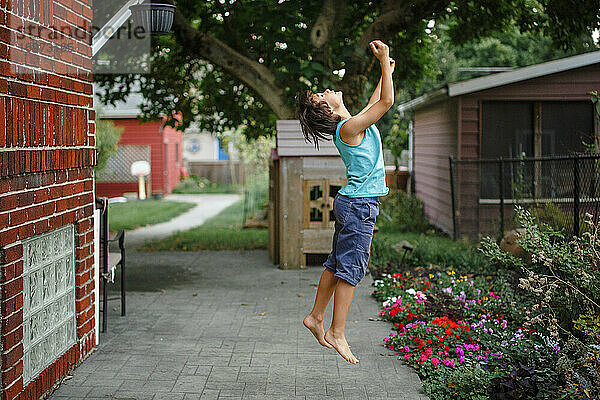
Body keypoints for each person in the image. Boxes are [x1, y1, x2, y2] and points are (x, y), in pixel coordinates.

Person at [295, 40, 394, 364]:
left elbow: (375, 102)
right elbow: (387, 103)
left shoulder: (351, 124)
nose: (327, 90)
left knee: (337, 264)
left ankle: (316, 316)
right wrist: (382, 61)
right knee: (350, 270)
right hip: (359, 207)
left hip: (352, 205)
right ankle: (337, 331)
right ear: (328, 109)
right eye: (322, 96)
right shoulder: (349, 127)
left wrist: (385, 71)